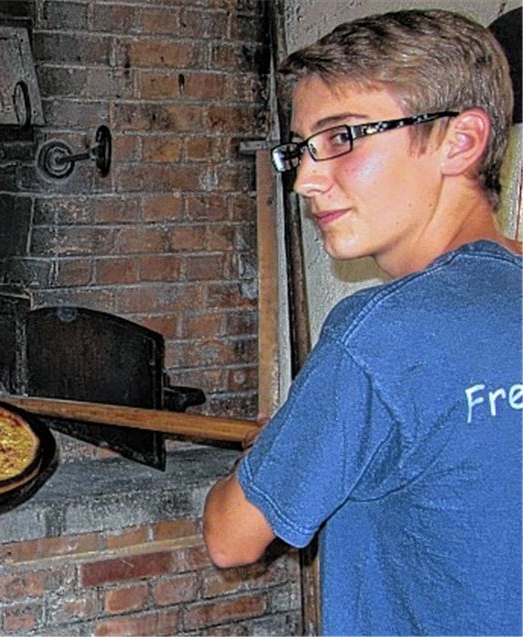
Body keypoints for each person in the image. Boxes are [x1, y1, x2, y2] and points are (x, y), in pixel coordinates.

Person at [202, 9, 522, 635]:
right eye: (300, 150)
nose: (305, 180)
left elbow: (230, 538)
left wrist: (277, 448)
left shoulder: (378, 334)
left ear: (461, 141)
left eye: (342, 138)